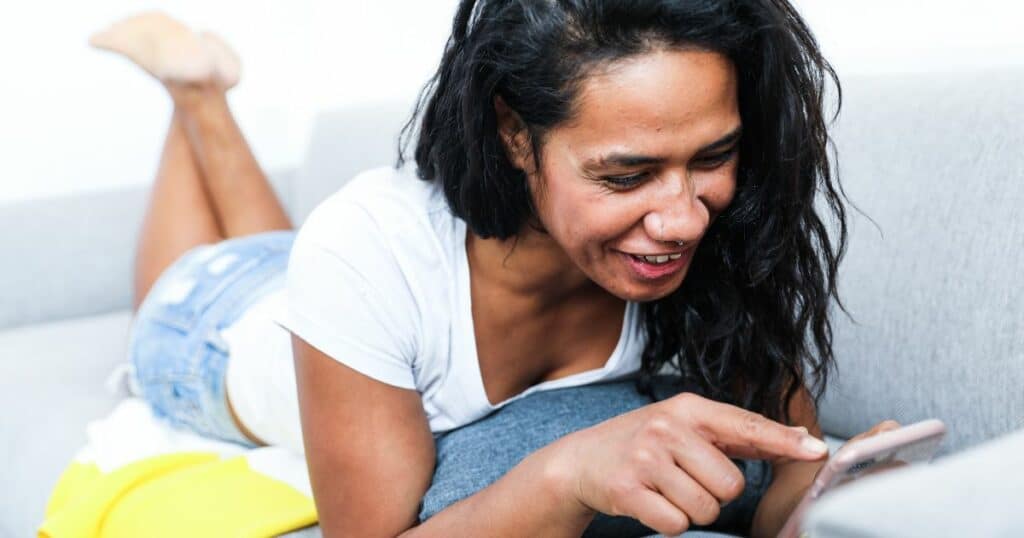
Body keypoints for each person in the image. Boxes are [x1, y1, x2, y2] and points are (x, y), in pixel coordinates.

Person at [92, 2, 900, 537]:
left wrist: (839, 492)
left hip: (323, 291)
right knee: (201, 276)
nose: (685, 216)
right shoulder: (364, 246)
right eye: (626, 175)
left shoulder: (714, 242)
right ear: (515, 134)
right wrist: (565, 472)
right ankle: (193, 96)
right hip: (216, 336)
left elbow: (783, 479)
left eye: (712, 157)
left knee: (287, 254)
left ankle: (199, 87)